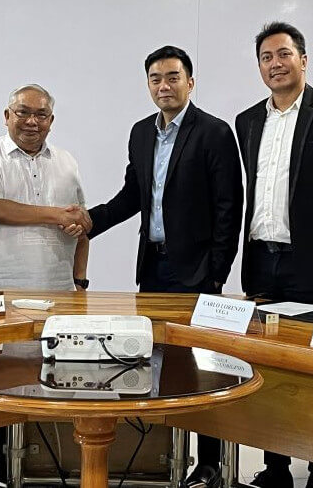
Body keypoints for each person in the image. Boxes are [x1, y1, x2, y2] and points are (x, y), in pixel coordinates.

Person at [87, 45, 243, 488]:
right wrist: (90, 221)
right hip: (152, 269)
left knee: (203, 366)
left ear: (190, 82)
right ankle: (163, 457)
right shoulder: (140, 133)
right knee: (158, 362)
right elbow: (133, 196)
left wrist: (217, 273)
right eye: (155, 78)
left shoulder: (213, 132)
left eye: (173, 77)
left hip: (196, 272)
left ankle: (208, 463)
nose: (164, 85)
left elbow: (229, 206)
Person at [236, 23, 313, 488]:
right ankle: (274, 467)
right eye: (266, 57)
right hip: (263, 262)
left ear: (303, 60)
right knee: (267, 367)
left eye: (284, 54)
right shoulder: (247, 120)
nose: (275, 63)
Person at [0, 83, 89, 482]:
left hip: (58, 289)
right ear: (6, 116)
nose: (31, 121)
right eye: (22, 112)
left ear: (51, 122)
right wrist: (57, 215)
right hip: (0, 287)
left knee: (55, 374)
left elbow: (82, 223)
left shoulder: (67, 161)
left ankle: (43, 461)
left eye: (40, 115)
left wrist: (80, 282)